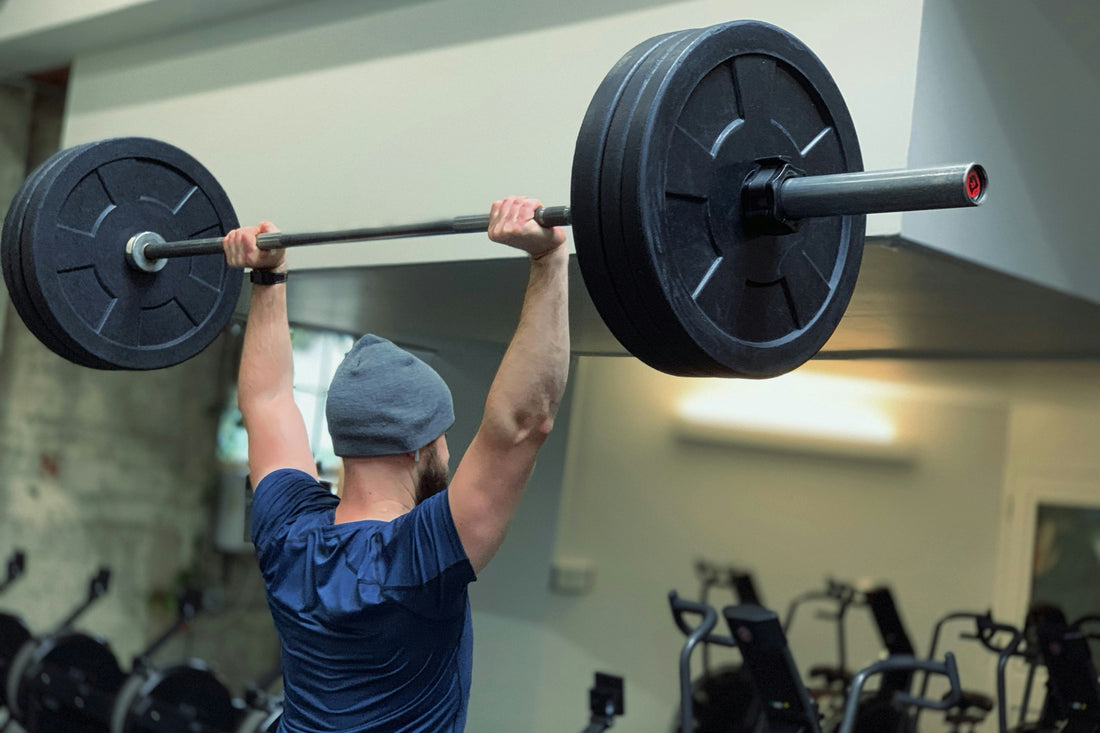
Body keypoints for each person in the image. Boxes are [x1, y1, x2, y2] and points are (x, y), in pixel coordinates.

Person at [222, 196, 570, 732]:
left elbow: (268, 400)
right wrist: (550, 261)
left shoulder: (288, 534)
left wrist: (269, 279)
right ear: (417, 446)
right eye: (444, 438)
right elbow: (524, 424)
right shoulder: (417, 561)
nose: (449, 452)